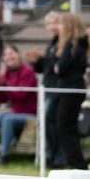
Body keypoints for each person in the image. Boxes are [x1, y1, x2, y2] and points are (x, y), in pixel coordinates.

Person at [24, 12, 67, 168]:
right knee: (47, 123)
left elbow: (59, 67)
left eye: (55, 23)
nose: (52, 27)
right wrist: (37, 61)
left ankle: (58, 158)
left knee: (52, 123)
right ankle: (51, 157)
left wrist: (43, 61)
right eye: (49, 24)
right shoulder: (53, 43)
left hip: (58, 90)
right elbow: (46, 68)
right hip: (49, 89)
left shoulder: (65, 43)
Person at [0, 45, 38, 166]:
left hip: (32, 115)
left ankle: (4, 156)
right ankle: (15, 135)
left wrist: (3, 86)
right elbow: (3, 100)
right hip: (16, 114)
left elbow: (21, 95)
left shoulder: (28, 71)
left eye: (12, 53)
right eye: (6, 54)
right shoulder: (6, 74)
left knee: (7, 120)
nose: (10, 56)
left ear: (18, 54)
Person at [52, 13, 89, 170]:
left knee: (65, 126)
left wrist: (58, 67)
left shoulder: (72, 45)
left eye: (60, 24)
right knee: (67, 126)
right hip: (73, 89)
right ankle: (76, 162)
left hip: (71, 90)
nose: (58, 27)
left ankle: (77, 163)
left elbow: (60, 68)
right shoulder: (79, 44)